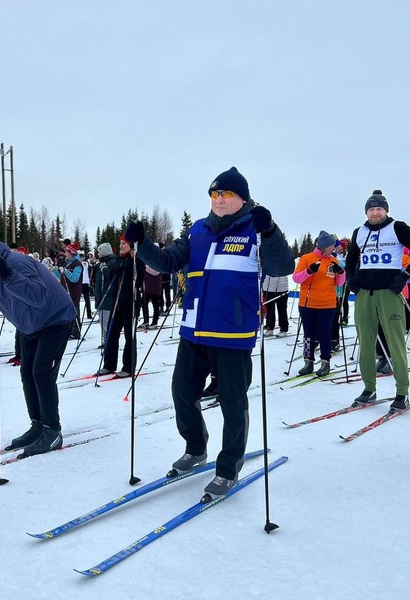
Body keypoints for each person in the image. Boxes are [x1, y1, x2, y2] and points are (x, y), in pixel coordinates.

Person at [125, 166, 293, 498]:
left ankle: (228, 467)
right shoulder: (198, 231)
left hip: (232, 333)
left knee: (233, 403)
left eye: (226, 194)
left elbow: (281, 267)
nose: (219, 200)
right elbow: (168, 261)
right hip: (193, 330)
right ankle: (195, 447)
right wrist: (141, 243)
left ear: (241, 198)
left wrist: (271, 231)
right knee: (182, 392)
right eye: (214, 194)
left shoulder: (255, 229)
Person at [0, 236, 78, 456]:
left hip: (55, 319)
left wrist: (8, 274)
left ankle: (52, 430)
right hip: (29, 325)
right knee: (27, 374)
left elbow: (39, 297)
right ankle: (38, 425)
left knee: (41, 373)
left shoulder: (16, 263)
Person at [345, 190, 410, 411]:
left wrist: (404, 275)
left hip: (389, 293)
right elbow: (352, 258)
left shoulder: (397, 227)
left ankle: (402, 392)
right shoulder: (359, 232)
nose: (375, 213)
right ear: (366, 212)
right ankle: (369, 388)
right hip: (365, 294)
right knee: (366, 343)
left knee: (395, 342)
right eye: (371, 209)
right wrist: (351, 279)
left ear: (385, 210)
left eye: (379, 209)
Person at [292, 231, 346, 376]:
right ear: (323, 246)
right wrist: (309, 271)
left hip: (327, 304)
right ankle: (308, 362)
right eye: (330, 246)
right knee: (308, 334)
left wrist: (341, 273)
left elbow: (339, 283)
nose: (333, 249)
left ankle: (325, 363)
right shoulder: (307, 258)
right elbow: (296, 278)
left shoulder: (333, 260)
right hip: (308, 303)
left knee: (324, 333)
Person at [100, 235, 144, 377]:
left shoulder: (137, 260)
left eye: (124, 243)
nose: (121, 246)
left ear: (131, 245)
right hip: (117, 302)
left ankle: (128, 367)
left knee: (129, 336)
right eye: (120, 243)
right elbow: (112, 273)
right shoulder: (119, 259)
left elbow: (139, 281)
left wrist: (130, 265)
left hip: (130, 303)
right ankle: (109, 364)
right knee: (112, 333)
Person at [92, 242, 116, 348]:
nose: (98, 255)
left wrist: (105, 270)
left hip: (107, 298)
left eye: (100, 252)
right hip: (100, 297)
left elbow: (112, 278)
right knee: (102, 322)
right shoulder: (99, 264)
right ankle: (105, 340)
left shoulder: (111, 263)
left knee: (105, 322)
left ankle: (108, 341)